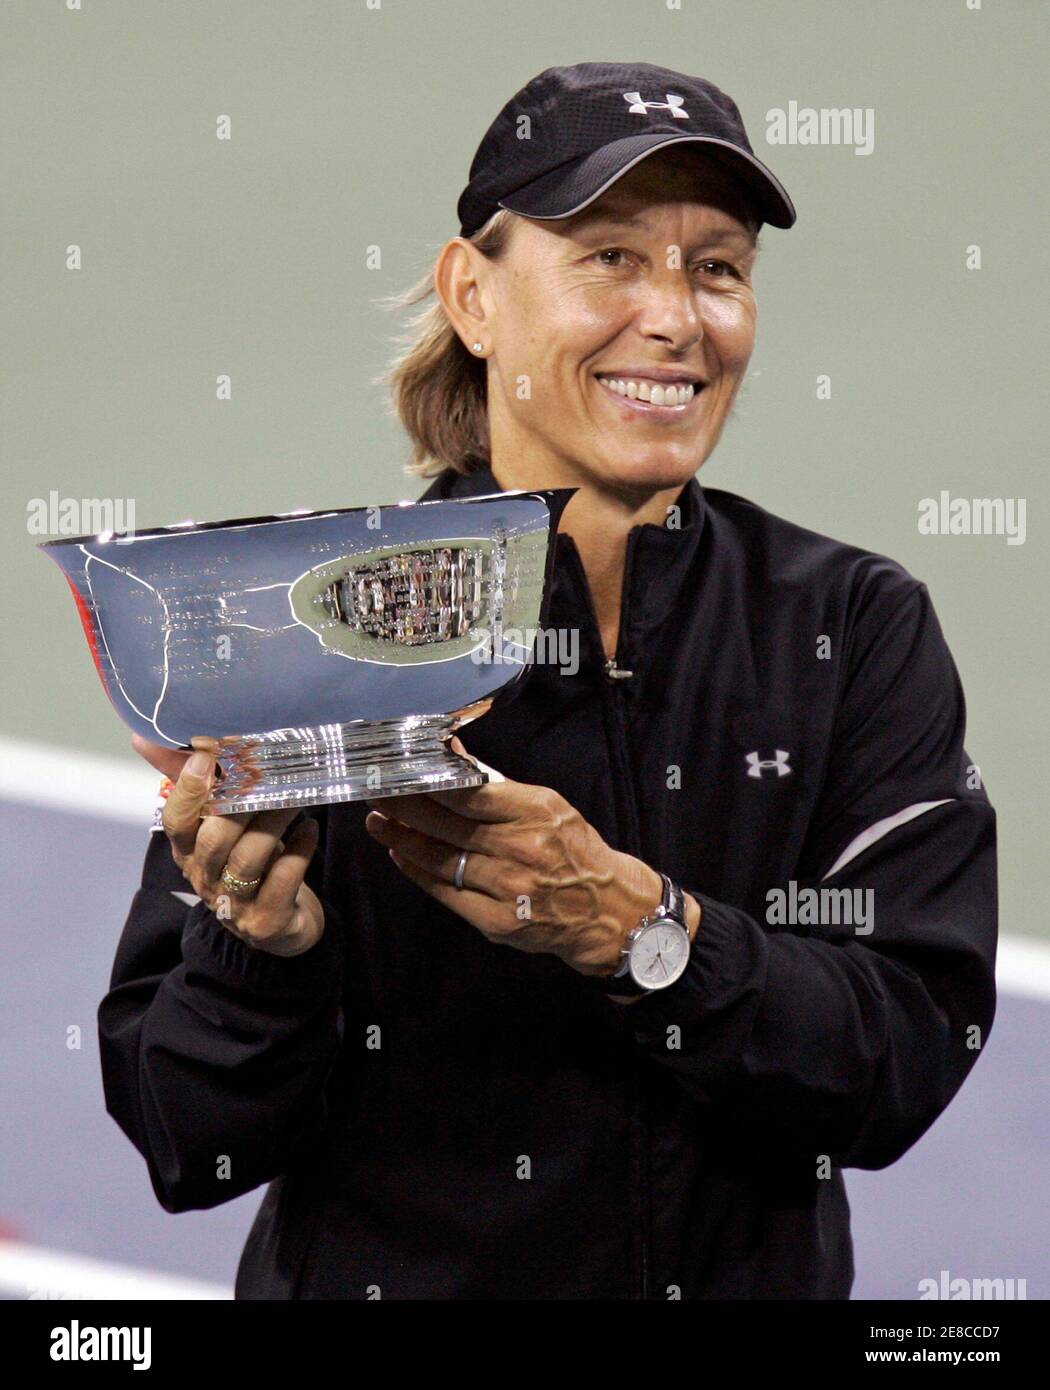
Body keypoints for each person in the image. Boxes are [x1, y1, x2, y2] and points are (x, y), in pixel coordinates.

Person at [102, 62, 997, 1299]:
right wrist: (258, 956)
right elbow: (186, 1141)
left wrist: (644, 934)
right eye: (611, 258)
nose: (677, 317)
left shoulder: (850, 624)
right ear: (473, 295)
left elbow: (903, 1056)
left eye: (717, 266)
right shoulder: (311, 620)